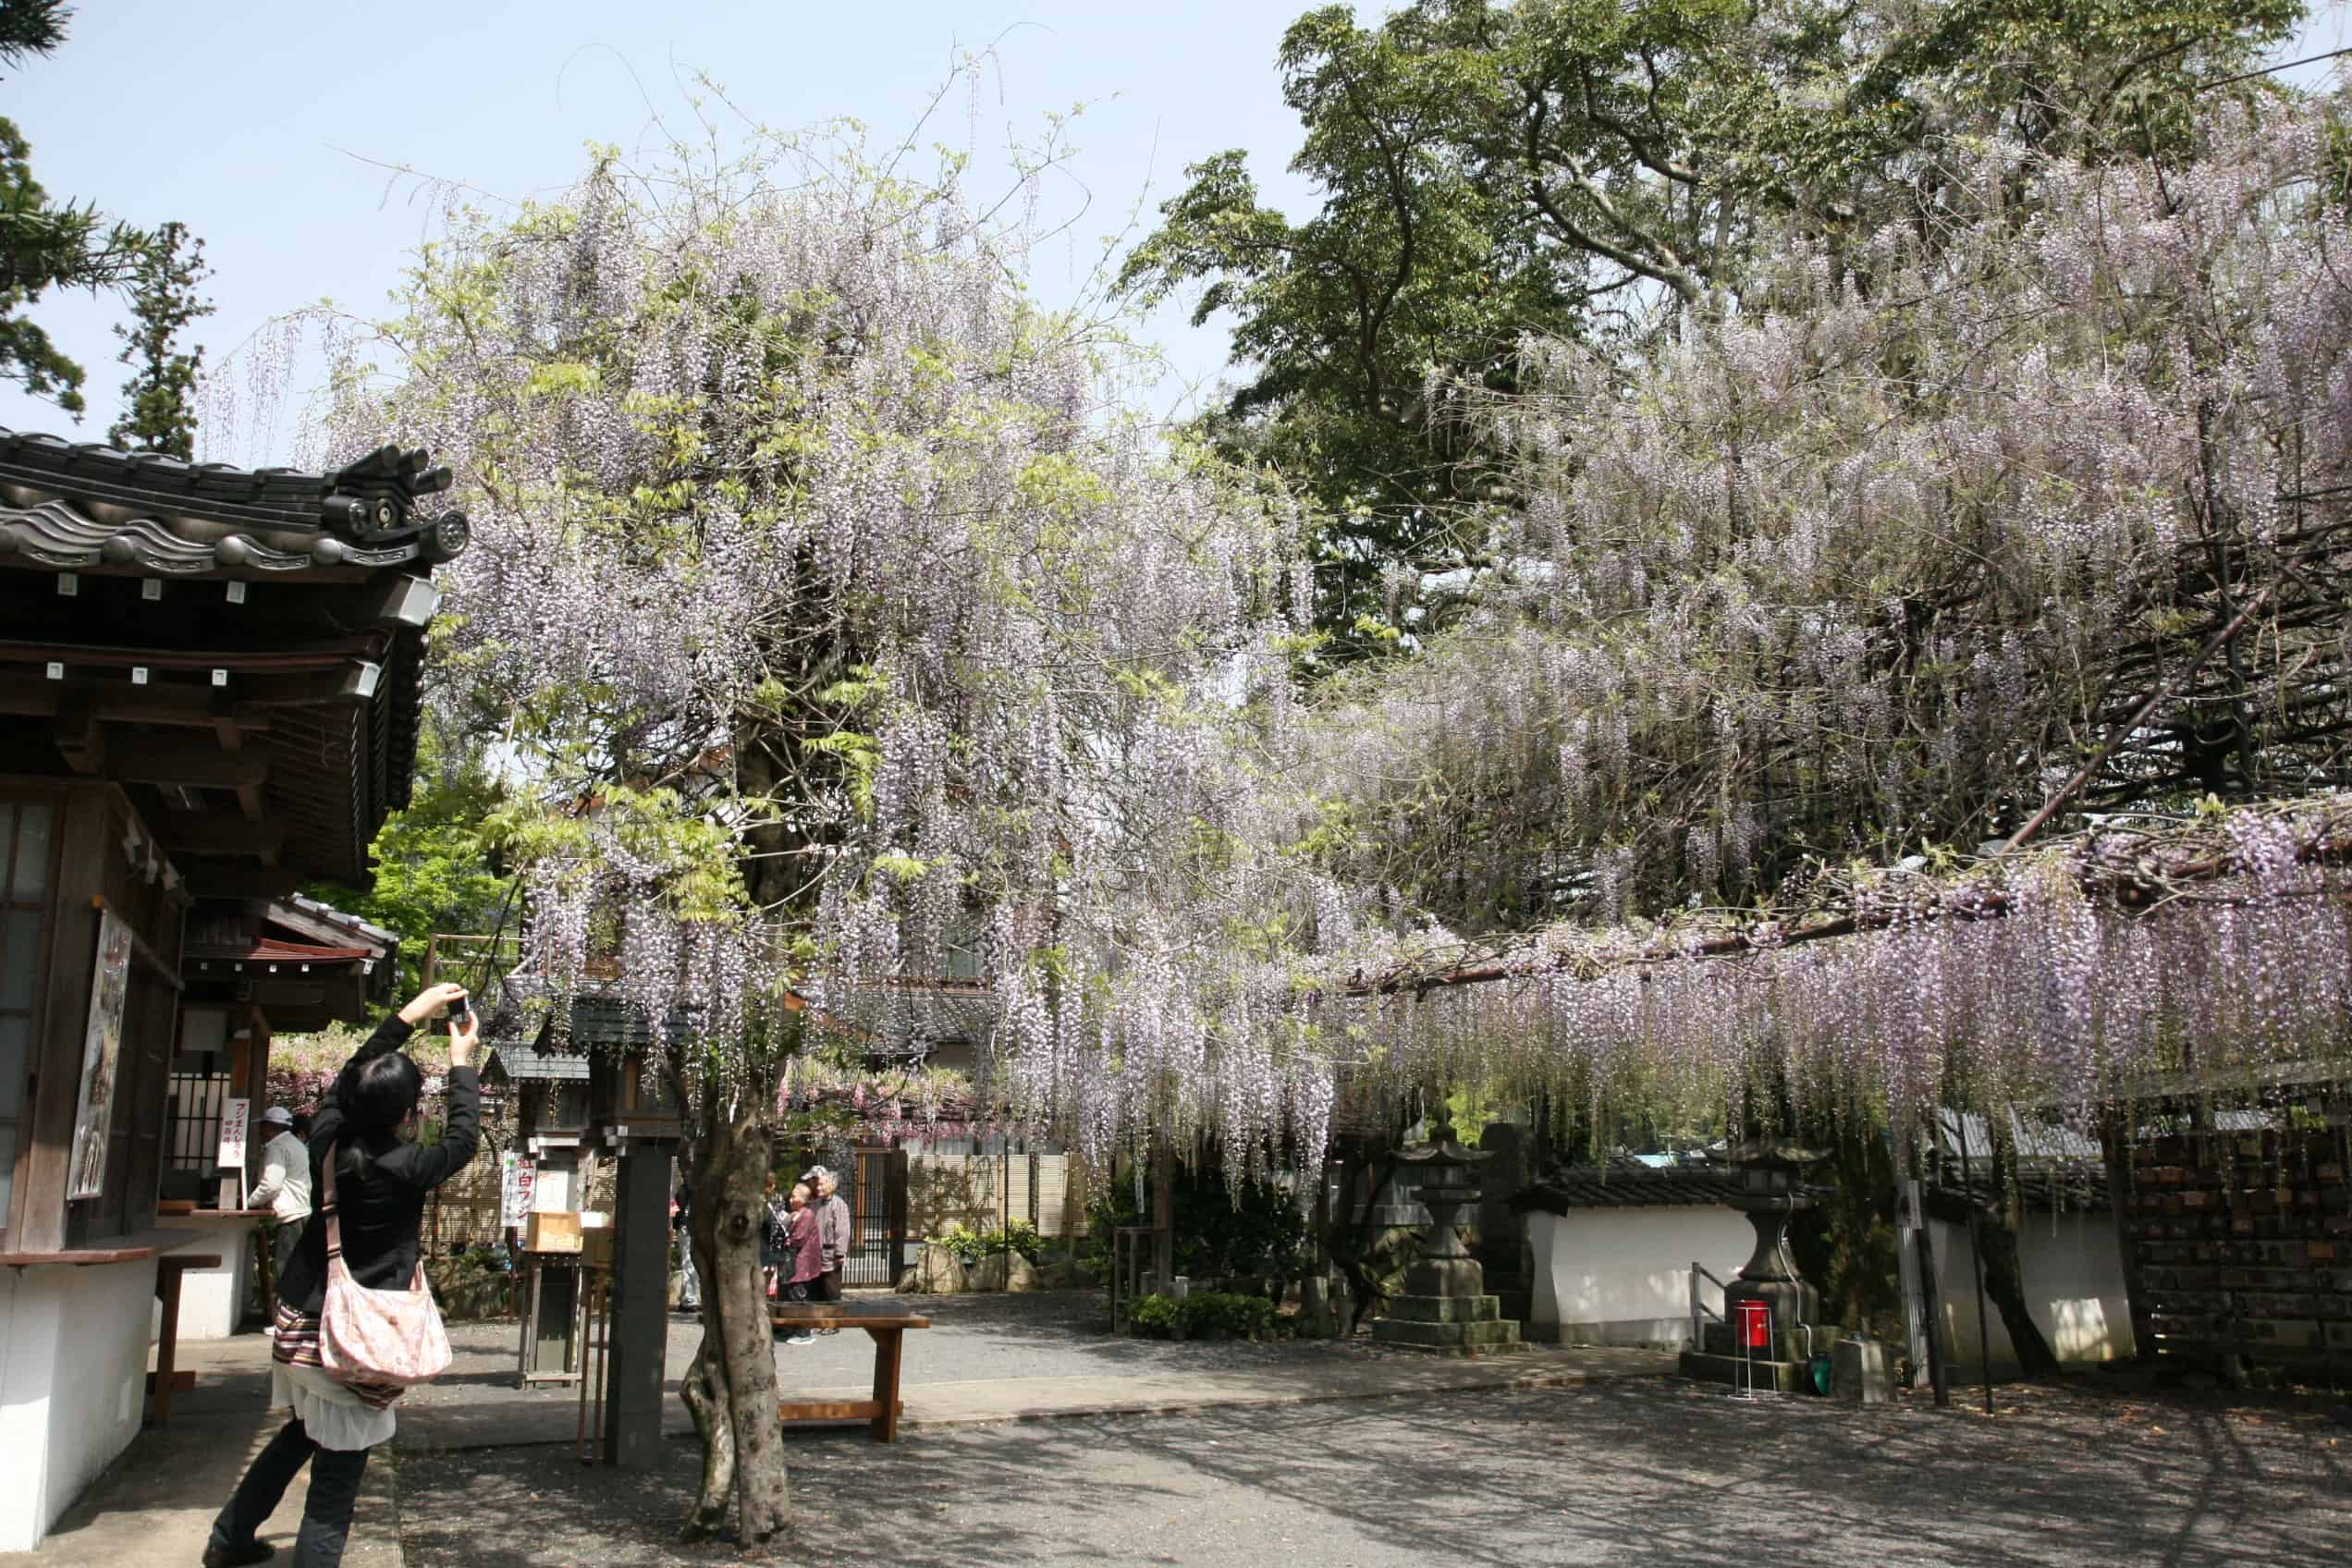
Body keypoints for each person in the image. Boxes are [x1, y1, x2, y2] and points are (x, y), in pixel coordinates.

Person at [202, 983, 480, 1568]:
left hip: (301, 1323)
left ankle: (228, 1540)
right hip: (355, 1339)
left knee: (300, 1434)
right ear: (408, 1114)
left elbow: (350, 1075)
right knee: (335, 1486)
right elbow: (463, 1136)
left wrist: (407, 1015)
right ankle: (253, 1546)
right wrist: (461, 1060)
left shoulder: (325, 1138)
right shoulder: (410, 1166)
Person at [248, 1106, 312, 1310]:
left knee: (285, 1269)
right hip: (303, 1209)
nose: (260, 1133)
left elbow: (272, 1184)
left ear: (269, 1128)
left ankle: (285, 1321)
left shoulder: (276, 1147)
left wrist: (249, 1202)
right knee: (299, 1268)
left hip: (289, 1214)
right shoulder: (297, 1144)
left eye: (262, 1128)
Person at [778, 1181, 824, 1346]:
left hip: (802, 1261)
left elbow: (799, 1238)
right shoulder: (798, 1213)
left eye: (794, 1196)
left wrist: (785, 1240)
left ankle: (804, 1331)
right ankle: (793, 1327)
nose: (791, 1199)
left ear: (803, 1199)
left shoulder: (806, 1215)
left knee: (799, 1295)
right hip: (795, 1260)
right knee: (791, 1295)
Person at [808, 1166, 851, 1333]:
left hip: (831, 1254)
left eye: (822, 1185)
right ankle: (819, 1321)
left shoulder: (839, 1204)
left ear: (832, 1186)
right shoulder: (815, 1204)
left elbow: (843, 1230)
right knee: (817, 1289)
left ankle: (833, 1324)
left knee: (831, 1290)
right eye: (818, 1185)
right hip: (815, 1253)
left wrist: (840, 1253)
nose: (818, 1188)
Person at [671, 1182, 700, 1317]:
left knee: (688, 1263)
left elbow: (678, 1206)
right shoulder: (694, 1187)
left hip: (687, 1228)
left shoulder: (685, 1188)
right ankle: (689, 1298)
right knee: (690, 1263)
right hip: (690, 1228)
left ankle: (688, 1298)